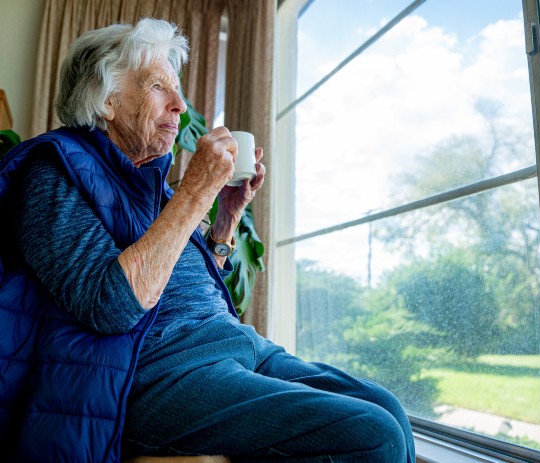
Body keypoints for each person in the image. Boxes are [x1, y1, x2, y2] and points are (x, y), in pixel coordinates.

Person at [0, 18, 415, 463]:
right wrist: (197, 191)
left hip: (232, 342)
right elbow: (113, 304)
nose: (180, 105)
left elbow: (177, 285)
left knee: (389, 409)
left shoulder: (151, 186)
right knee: (375, 438)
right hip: (162, 370)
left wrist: (225, 219)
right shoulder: (52, 172)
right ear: (106, 100)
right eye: (159, 86)